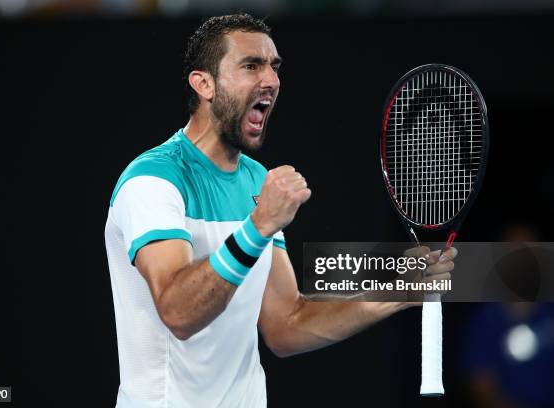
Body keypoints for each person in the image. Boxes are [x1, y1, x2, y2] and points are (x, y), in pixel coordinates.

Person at [104, 13, 456, 408]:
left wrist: (396, 292)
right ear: (204, 84)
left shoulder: (257, 181)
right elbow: (178, 312)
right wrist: (257, 228)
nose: (270, 80)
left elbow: (286, 324)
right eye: (251, 65)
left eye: (274, 67)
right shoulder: (153, 180)